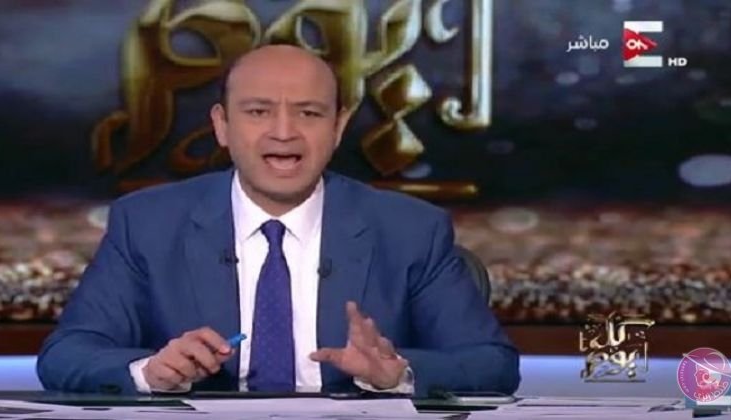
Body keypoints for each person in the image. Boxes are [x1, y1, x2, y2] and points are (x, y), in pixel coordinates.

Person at [37, 44, 520, 397]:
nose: (284, 132)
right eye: (258, 112)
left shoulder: (411, 230)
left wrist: (400, 374)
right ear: (222, 125)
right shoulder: (147, 223)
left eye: (309, 113)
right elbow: (67, 355)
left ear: (338, 127)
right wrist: (150, 371)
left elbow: (491, 364)